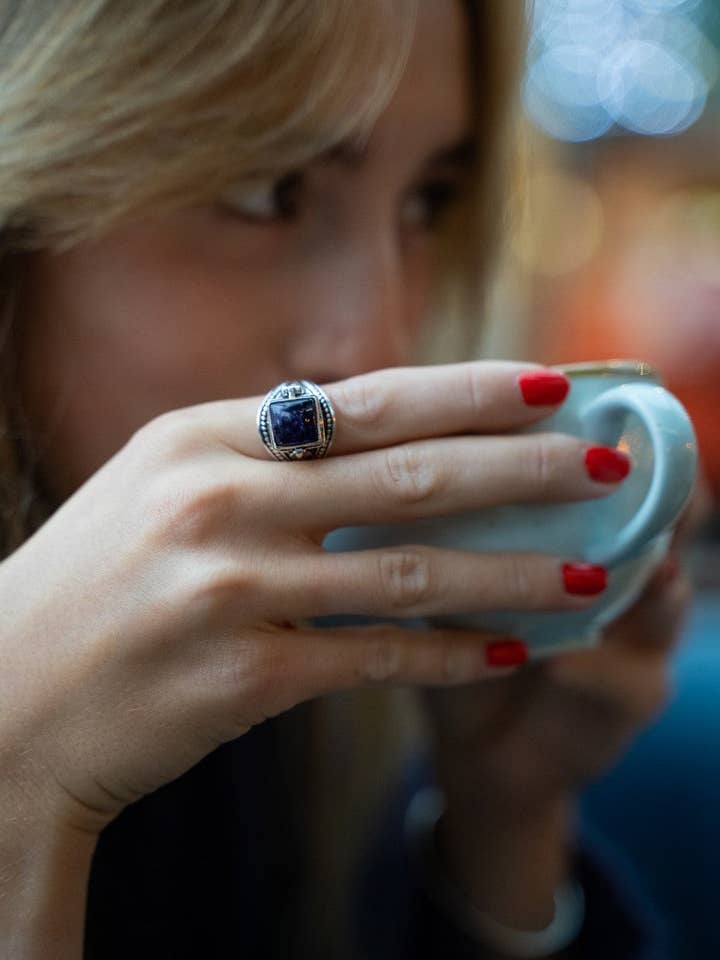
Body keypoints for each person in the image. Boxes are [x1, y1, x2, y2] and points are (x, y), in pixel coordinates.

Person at [0, 1, 698, 957]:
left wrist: (501, 828)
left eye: (427, 203)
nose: (379, 345)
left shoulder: (284, 693)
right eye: (266, 190)